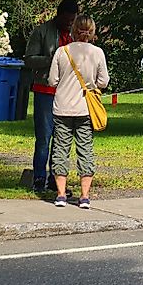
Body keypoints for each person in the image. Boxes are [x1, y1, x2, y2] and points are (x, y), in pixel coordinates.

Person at [46, 14, 108, 209]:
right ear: (92, 32)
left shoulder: (62, 52)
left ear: (73, 30)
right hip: (85, 108)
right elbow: (103, 81)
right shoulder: (97, 52)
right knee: (85, 150)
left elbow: (52, 81)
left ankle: (61, 194)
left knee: (60, 150)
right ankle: (84, 196)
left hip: (62, 107)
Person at [24, 0, 78, 193]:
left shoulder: (75, 34)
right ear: (59, 15)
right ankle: (39, 178)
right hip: (45, 90)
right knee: (44, 137)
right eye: (67, 20)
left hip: (67, 92)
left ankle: (57, 180)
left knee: (62, 139)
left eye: (73, 20)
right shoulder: (42, 32)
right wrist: (54, 58)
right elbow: (29, 59)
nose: (69, 24)